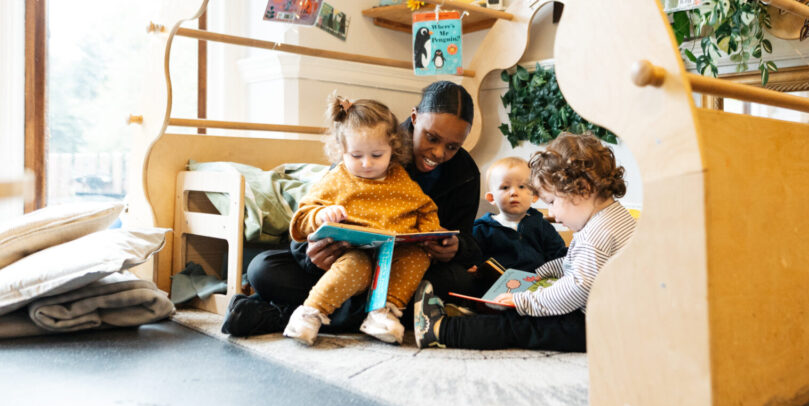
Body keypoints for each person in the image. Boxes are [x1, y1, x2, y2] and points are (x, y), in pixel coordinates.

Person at [222, 80, 482, 338]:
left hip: (403, 270)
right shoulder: (371, 142)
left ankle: (281, 314)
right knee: (262, 269)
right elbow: (309, 219)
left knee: (460, 282)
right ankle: (377, 315)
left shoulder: (465, 173)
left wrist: (454, 247)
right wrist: (312, 257)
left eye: (452, 146)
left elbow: (468, 240)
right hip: (346, 265)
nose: (438, 152)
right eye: (432, 137)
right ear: (414, 117)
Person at [413, 133, 636, 352]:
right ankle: (471, 317)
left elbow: (577, 288)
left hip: (595, 327)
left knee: (517, 326)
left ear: (582, 189)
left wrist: (524, 301)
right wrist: (540, 273)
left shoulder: (595, 236)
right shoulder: (614, 219)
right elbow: (572, 262)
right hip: (615, 318)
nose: (553, 214)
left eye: (552, 202)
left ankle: (442, 330)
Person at [280, 95, 442, 346]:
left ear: (393, 149)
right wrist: (321, 215)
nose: (367, 164)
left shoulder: (399, 177)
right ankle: (310, 313)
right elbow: (301, 217)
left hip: (394, 251)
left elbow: (425, 208)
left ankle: (382, 313)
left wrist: (430, 232)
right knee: (355, 266)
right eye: (356, 156)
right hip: (353, 252)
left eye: (377, 155)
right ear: (340, 151)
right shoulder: (337, 178)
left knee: (418, 258)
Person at [471, 156, 566, 286]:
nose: (514, 192)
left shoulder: (541, 225)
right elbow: (471, 259)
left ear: (535, 195)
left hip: (537, 286)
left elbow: (559, 256)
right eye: (505, 187)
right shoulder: (481, 229)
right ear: (491, 197)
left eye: (522, 186)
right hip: (497, 287)